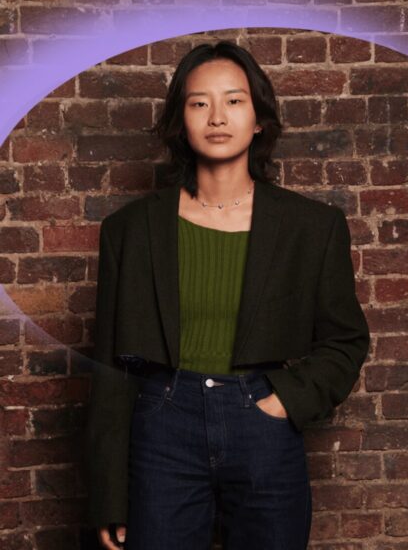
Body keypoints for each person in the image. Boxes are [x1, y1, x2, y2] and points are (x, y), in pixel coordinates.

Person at [84, 40, 370, 550]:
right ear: (180, 121)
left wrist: (284, 400)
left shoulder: (312, 227)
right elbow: (110, 367)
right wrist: (109, 494)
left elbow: (345, 340)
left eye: (234, 101)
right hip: (162, 430)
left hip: (262, 422)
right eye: (199, 103)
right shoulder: (129, 230)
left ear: (258, 118)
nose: (217, 117)